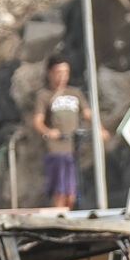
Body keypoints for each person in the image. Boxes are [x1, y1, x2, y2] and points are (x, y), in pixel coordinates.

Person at [30, 58, 94, 210]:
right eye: (59, 72)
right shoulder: (44, 95)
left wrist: (100, 130)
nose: (63, 76)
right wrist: (48, 132)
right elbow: (37, 121)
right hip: (56, 150)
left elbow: (88, 114)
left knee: (71, 194)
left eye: (66, 72)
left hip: (74, 149)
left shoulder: (75, 93)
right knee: (60, 192)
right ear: (50, 73)